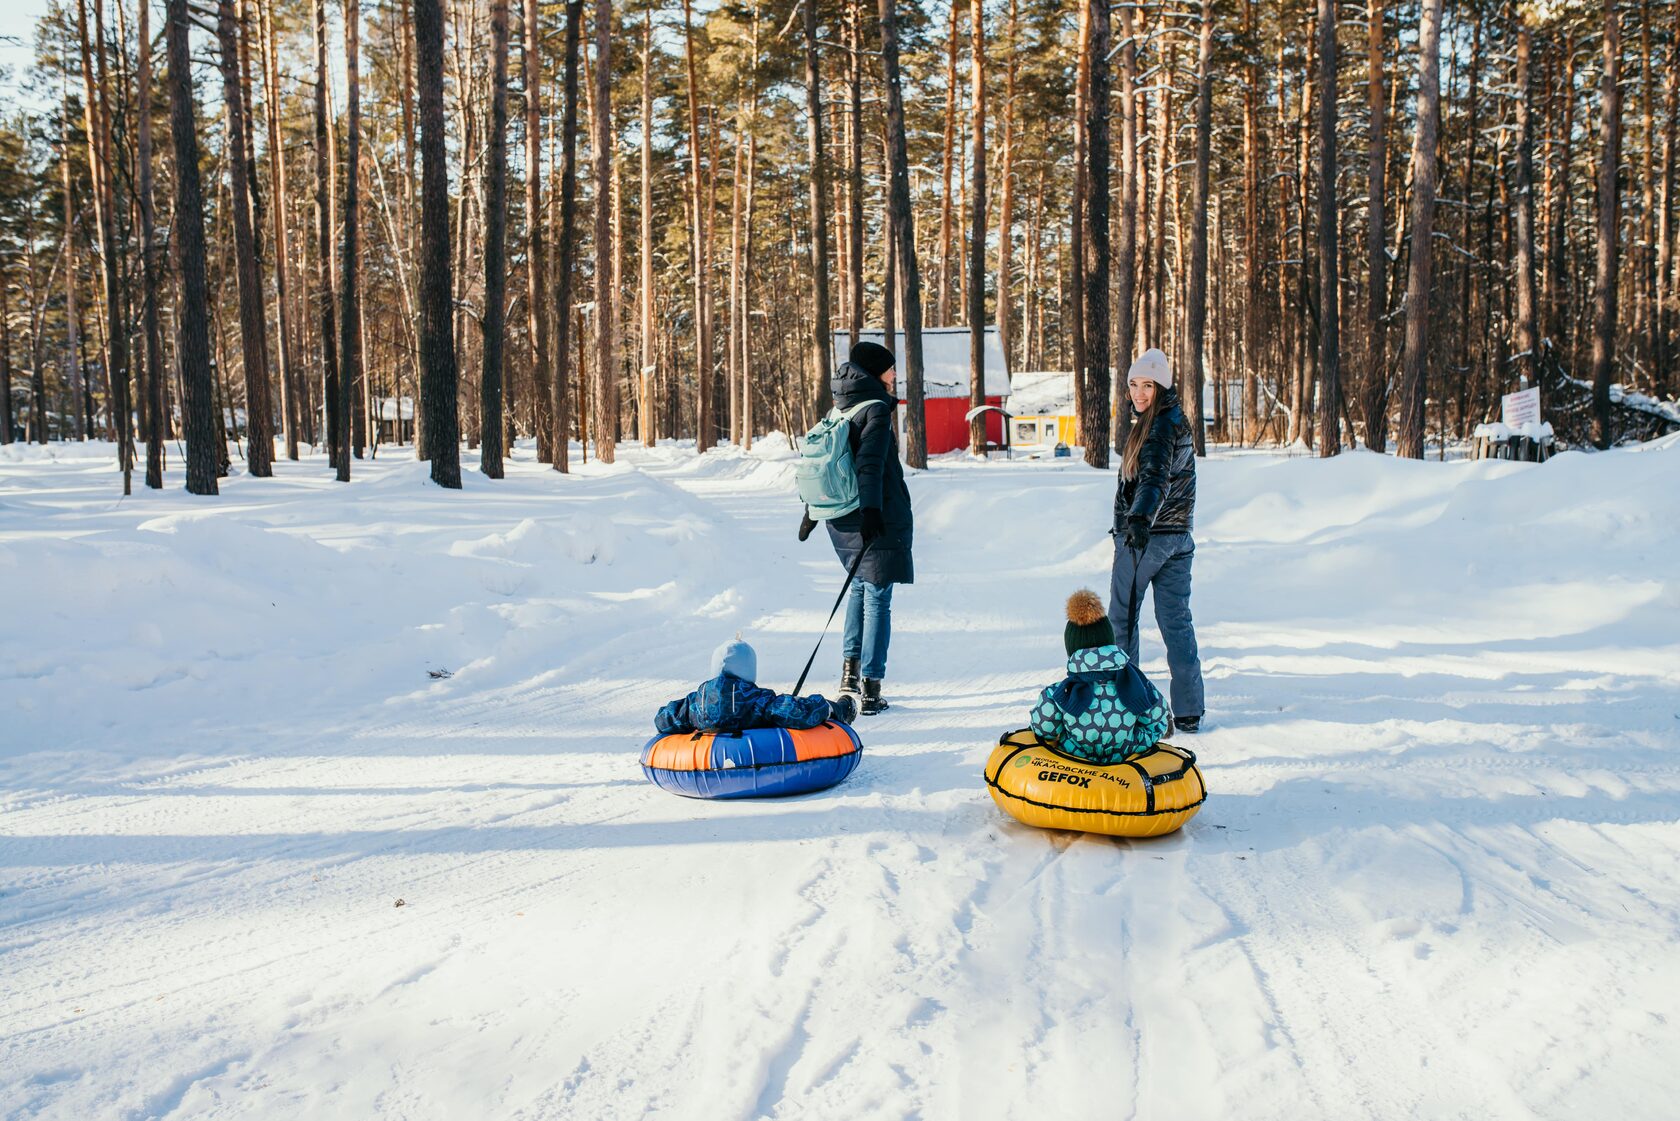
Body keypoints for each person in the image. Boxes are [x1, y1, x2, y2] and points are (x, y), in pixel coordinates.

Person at [798, 340, 913, 716]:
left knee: (860, 588)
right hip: (870, 513)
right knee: (877, 594)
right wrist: (873, 513)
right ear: (877, 372)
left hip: (840, 515)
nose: (895, 375)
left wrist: (812, 511)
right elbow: (869, 465)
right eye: (891, 369)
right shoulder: (876, 409)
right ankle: (871, 687)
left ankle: (849, 676)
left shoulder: (842, 405)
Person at [1110, 348, 1206, 733]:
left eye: (1147, 385)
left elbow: (1154, 479)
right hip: (1179, 537)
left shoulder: (1160, 426)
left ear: (1161, 386)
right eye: (1133, 385)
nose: (1138, 393)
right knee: (1176, 622)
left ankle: (1125, 707)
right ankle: (1188, 709)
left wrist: (1138, 520)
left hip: (1147, 539)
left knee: (1122, 620)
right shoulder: (1174, 420)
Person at [1029, 590, 1171, 764]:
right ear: (1110, 643)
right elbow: (1157, 720)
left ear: (1072, 649)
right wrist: (1136, 744)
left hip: (1073, 768)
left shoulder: (1058, 694)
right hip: (1124, 767)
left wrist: (1062, 743)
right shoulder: (1138, 685)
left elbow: (1043, 729)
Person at [654, 637, 855, 735]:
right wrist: (827, 706)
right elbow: (798, 713)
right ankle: (843, 707)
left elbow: (663, 719)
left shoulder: (696, 701)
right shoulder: (756, 699)